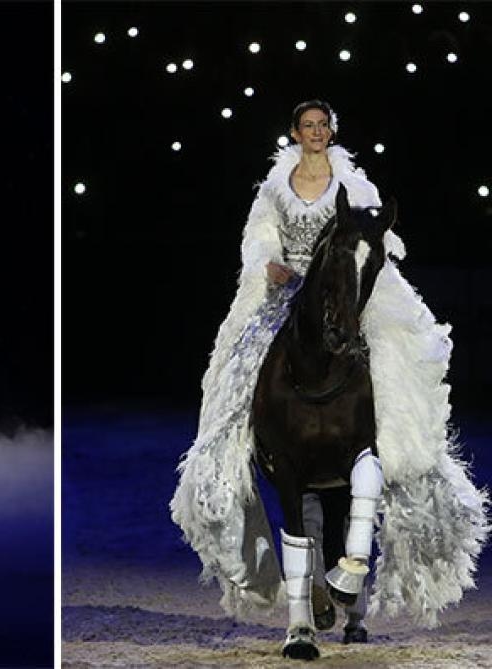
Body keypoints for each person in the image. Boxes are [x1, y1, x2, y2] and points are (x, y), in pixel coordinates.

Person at [170, 101, 486, 629]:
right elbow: (260, 234)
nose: (316, 133)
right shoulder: (276, 186)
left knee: (390, 363)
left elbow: (370, 238)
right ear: (294, 133)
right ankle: (231, 455)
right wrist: (266, 263)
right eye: (308, 126)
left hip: (345, 292)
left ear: (331, 131)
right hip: (288, 291)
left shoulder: (354, 184)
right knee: (238, 366)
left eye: (323, 126)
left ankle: (397, 450)